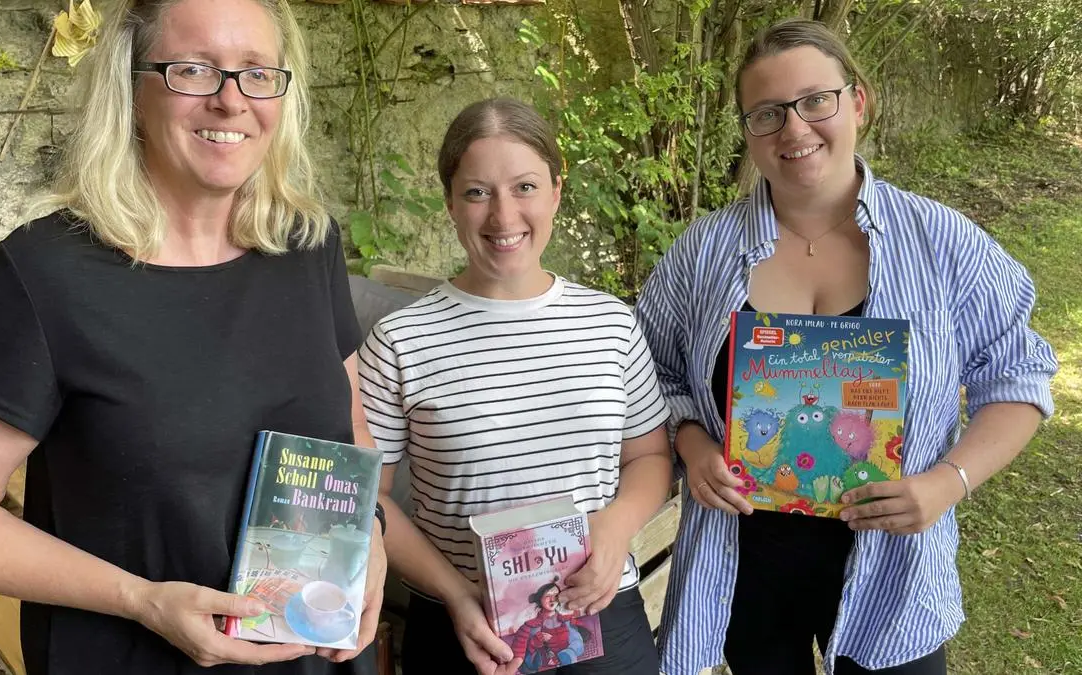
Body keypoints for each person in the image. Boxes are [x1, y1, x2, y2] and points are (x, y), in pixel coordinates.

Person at [0, 0, 386, 673]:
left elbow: (348, 436)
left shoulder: (309, 242)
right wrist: (142, 599)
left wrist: (374, 536)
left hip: (314, 654)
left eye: (256, 73)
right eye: (193, 70)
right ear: (130, 87)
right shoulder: (43, 275)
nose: (230, 100)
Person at [636, 18, 1058, 675]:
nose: (795, 130)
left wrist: (948, 482)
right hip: (746, 572)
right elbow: (651, 375)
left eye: (815, 101)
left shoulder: (941, 242)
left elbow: (1021, 373)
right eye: (768, 113)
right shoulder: (702, 255)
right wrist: (691, 444)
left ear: (856, 101)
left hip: (892, 582)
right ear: (748, 132)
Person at [356, 98, 672, 675]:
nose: (504, 217)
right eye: (478, 192)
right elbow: (367, 497)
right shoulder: (400, 340)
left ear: (556, 189)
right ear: (450, 202)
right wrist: (455, 594)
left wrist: (615, 527)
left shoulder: (611, 323)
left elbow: (650, 455)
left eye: (524, 186)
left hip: (600, 612)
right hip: (463, 630)